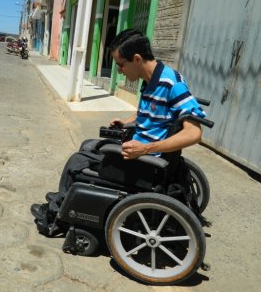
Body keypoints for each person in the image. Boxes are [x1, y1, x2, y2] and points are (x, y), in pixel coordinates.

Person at [31, 28, 206, 219]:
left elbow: (194, 133)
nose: (119, 71)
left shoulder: (172, 84)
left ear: (137, 59)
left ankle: (56, 211)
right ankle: (67, 199)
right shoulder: (151, 79)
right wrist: (126, 121)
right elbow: (152, 113)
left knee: (77, 161)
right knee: (88, 144)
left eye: (121, 65)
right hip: (140, 150)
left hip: (147, 163)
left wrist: (146, 148)